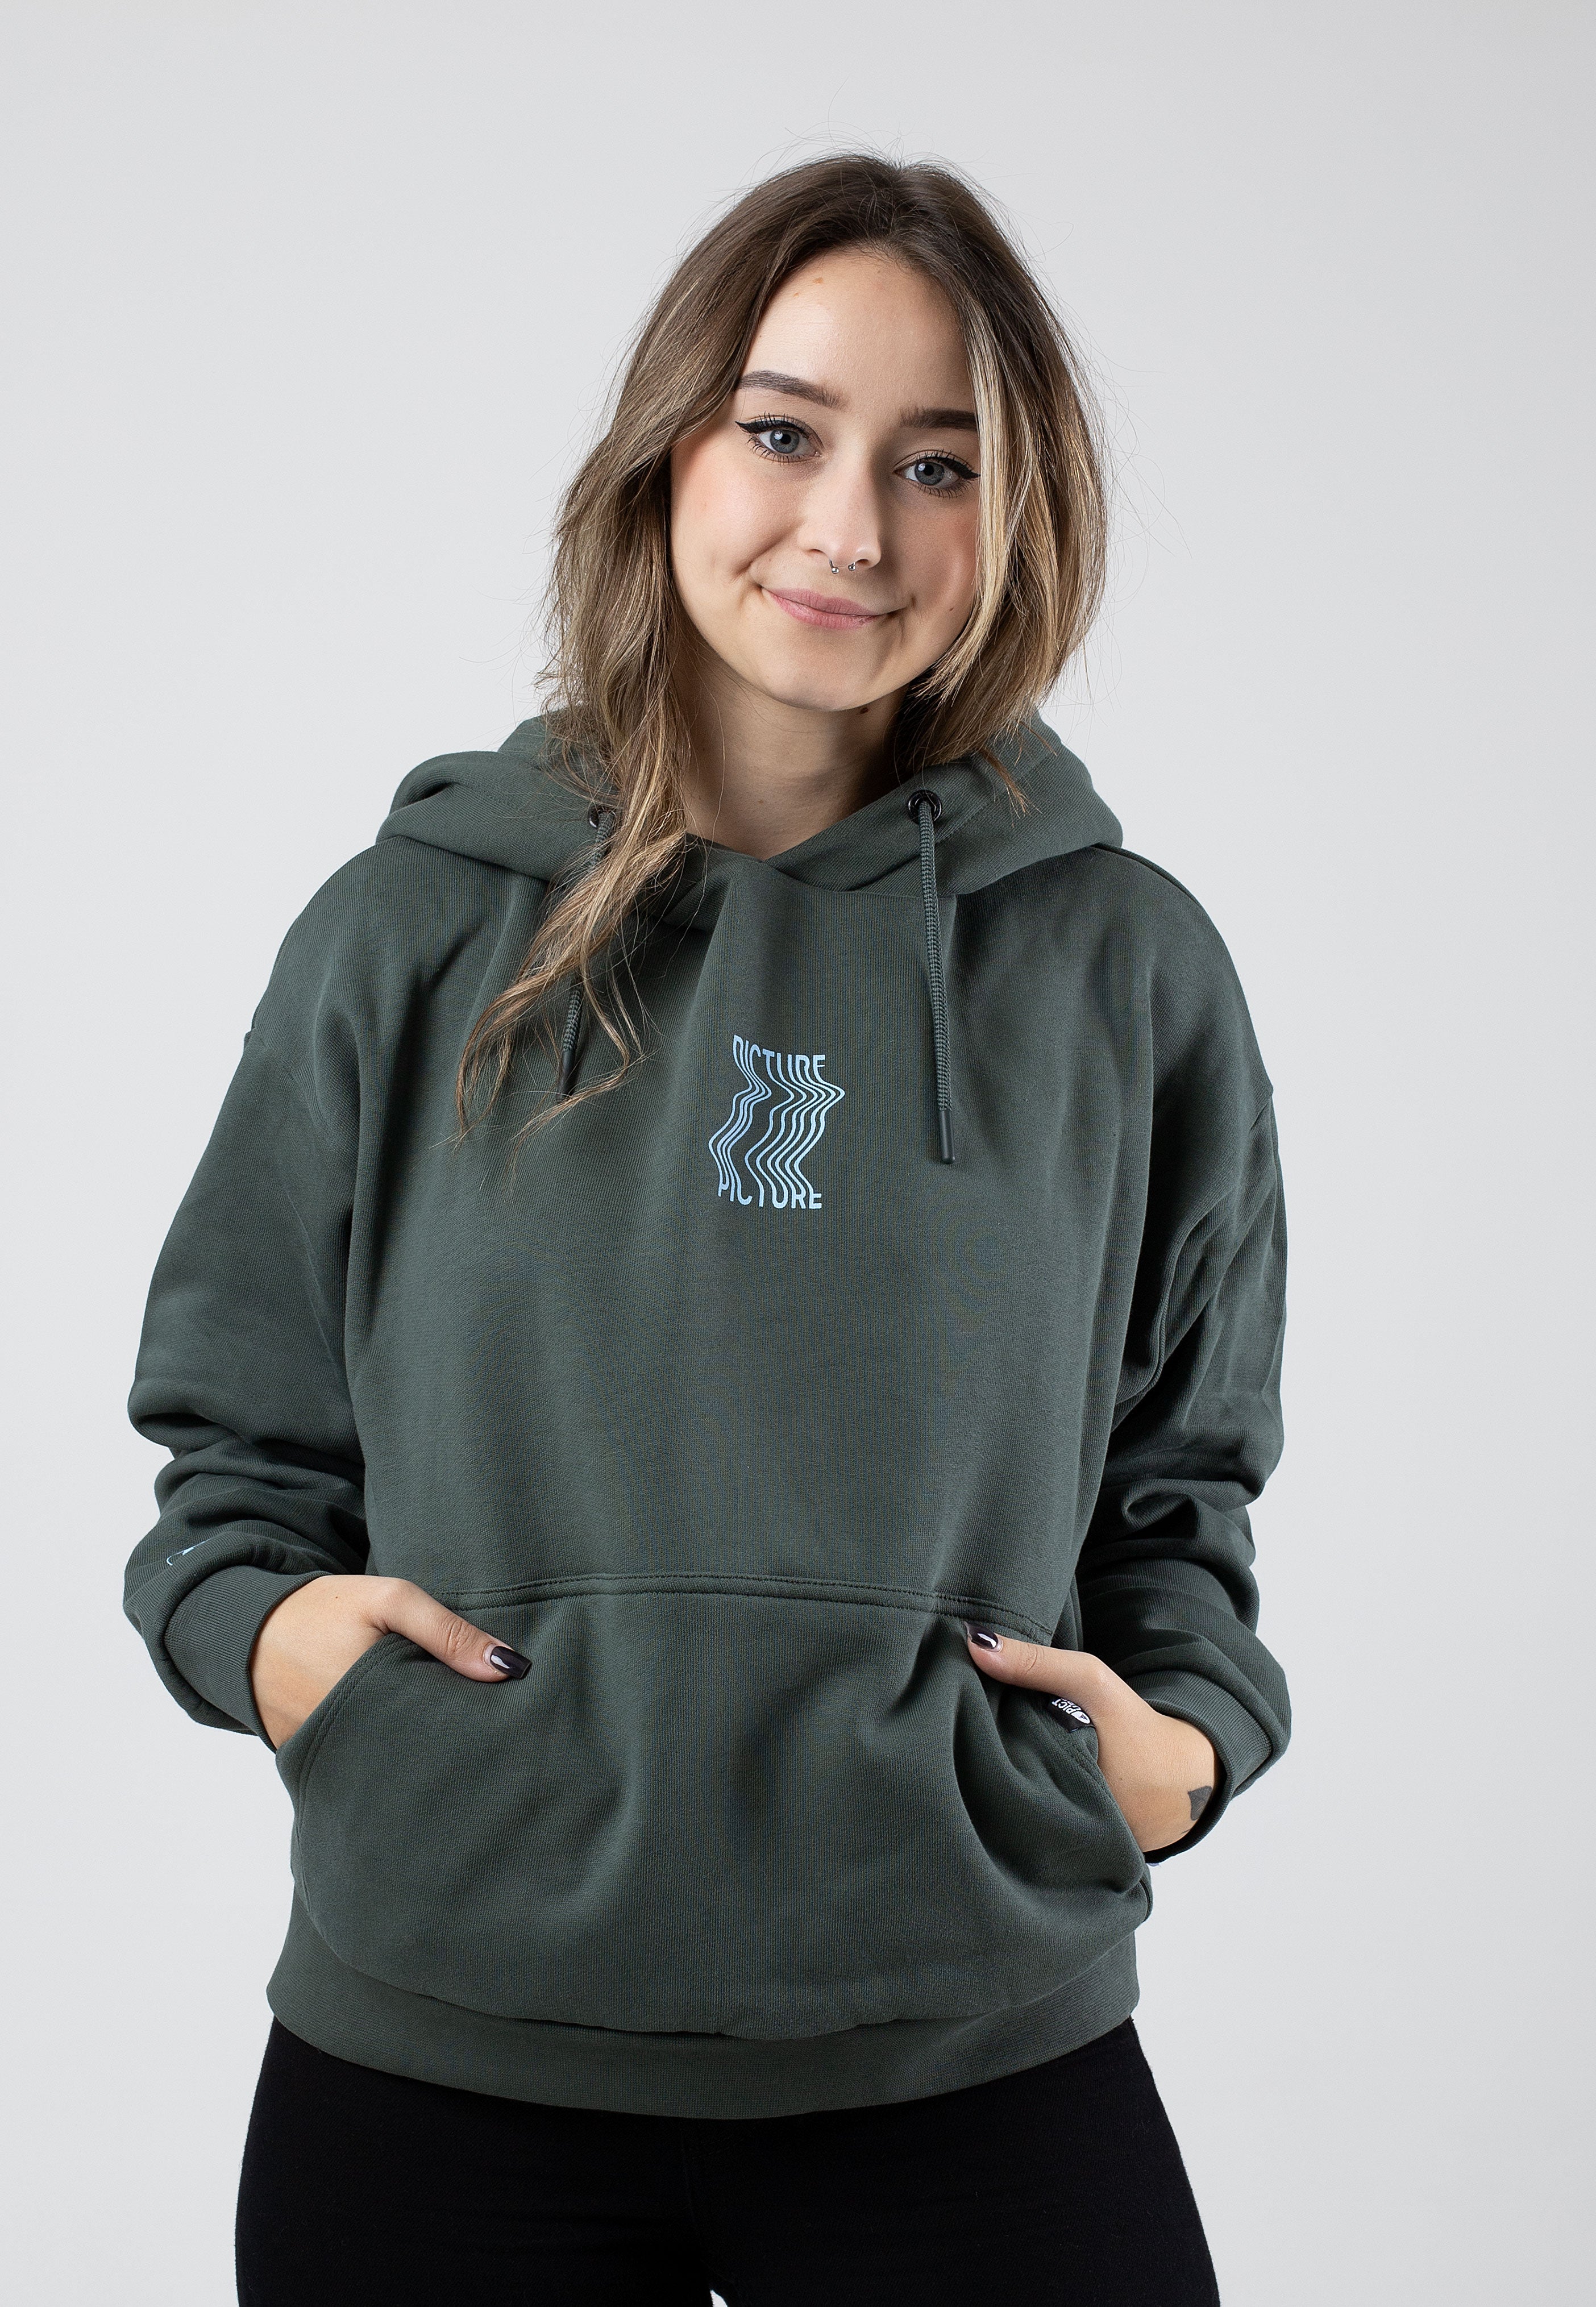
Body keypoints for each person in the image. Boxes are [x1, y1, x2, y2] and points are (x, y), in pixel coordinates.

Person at [126, 153, 1290, 2305]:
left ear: (1019, 512)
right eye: (783, 430)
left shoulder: (1125, 970)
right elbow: (237, 1452)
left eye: (938, 462)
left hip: (972, 2044)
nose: (852, 528)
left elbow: (1182, 1477)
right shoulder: (408, 930)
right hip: (443, 2064)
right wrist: (283, 1653)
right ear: (670, 449)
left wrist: (1183, 1745)